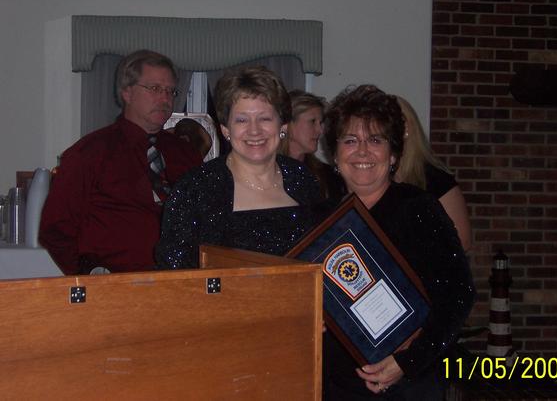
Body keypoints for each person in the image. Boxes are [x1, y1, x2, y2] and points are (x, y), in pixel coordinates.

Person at [322, 84, 475, 400]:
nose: (363, 151)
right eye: (350, 140)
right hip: (337, 385)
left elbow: (458, 295)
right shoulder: (322, 220)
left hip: (408, 384)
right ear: (335, 155)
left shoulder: (418, 208)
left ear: (393, 155)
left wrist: (407, 362)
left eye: (375, 140)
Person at [39, 49, 202, 274]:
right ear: (126, 92)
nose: (165, 99)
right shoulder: (89, 153)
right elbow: (55, 228)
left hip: (181, 283)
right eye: (155, 89)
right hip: (115, 287)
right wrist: (88, 275)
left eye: (170, 91)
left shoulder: (185, 155)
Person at [155, 67, 322, 269]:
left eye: (265, 118)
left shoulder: (303, 180)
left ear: (283, 127)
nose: (254, 130)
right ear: (226, 129)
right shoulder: (194, 189)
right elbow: (174, 276)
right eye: (242, 120)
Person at [393, 96, 472, 252]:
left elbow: (463, 240)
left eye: (391, 122)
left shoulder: (435, 178)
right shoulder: (371, 178)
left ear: (407, 128)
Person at [279, 90, 346, 199]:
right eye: (312, 121)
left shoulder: (327, 175)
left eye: (320, 123)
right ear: (288, 124)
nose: (320, 130)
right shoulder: (267, 171)